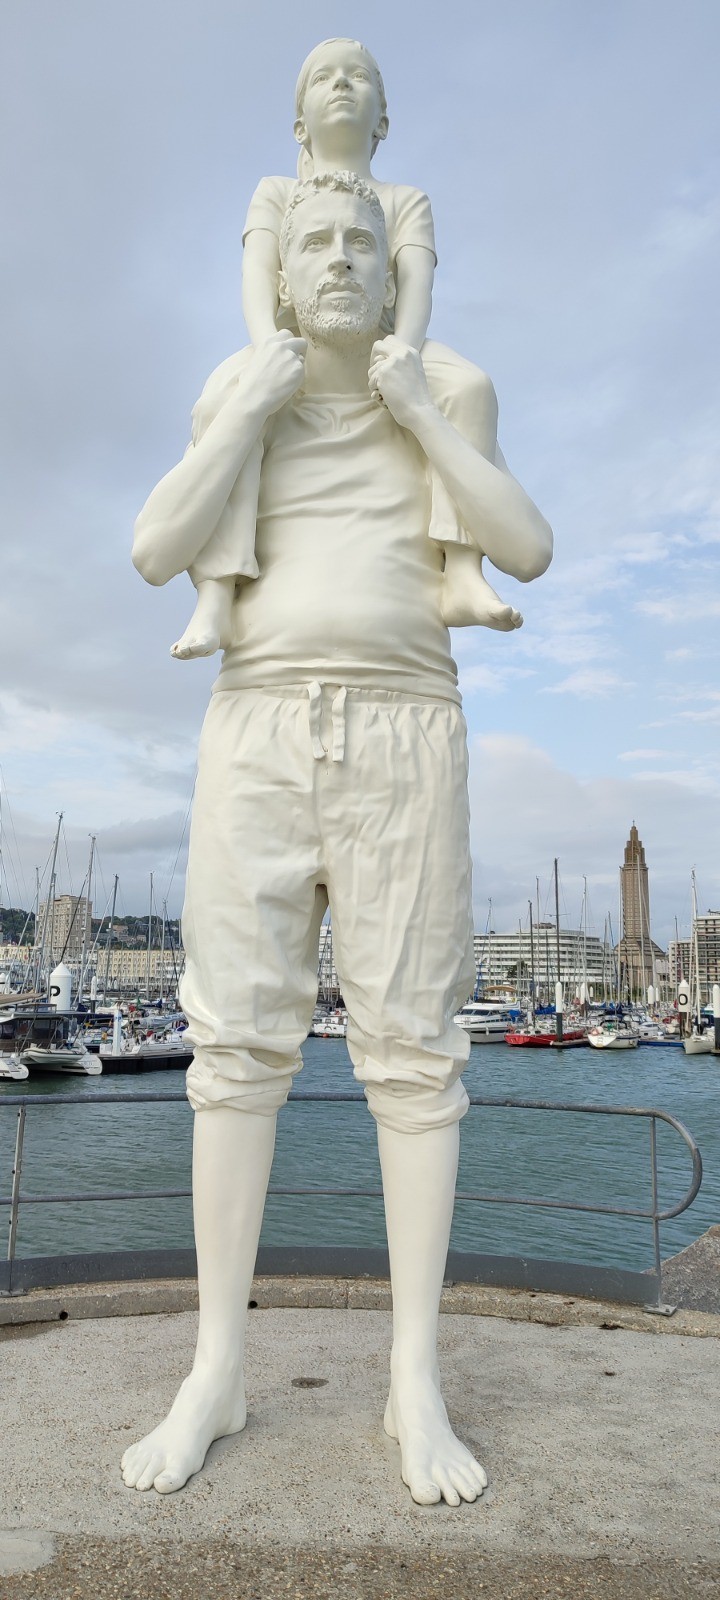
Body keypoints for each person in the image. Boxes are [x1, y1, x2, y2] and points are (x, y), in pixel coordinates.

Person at [125, 172, 552, 1505]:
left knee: (415, 1058)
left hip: (406, 724)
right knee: (233, 1055)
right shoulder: (240, 389)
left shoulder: (442, 387)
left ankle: (414, 1377)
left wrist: (417, 408)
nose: (340, 258)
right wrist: (250, 404)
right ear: (278, 267)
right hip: (255, 720)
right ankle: (216, 1368)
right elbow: (155, 550)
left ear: (392, 263)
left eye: (361, 240)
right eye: (313, 241)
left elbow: (528, 547)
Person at [170, 37, 523, 662]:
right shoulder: (275, 191)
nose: (341, 84)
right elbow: (257, 277)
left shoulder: (405, 200)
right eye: (323, 77)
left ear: (382, 118)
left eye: (358, 76)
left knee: (469, 388)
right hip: (296, 341)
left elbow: (415, 285)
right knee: (224, 401)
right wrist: (266, 352)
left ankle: (464, 570)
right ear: (299, 124)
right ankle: (217, 590)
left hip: (382, 340)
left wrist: (403, 355)